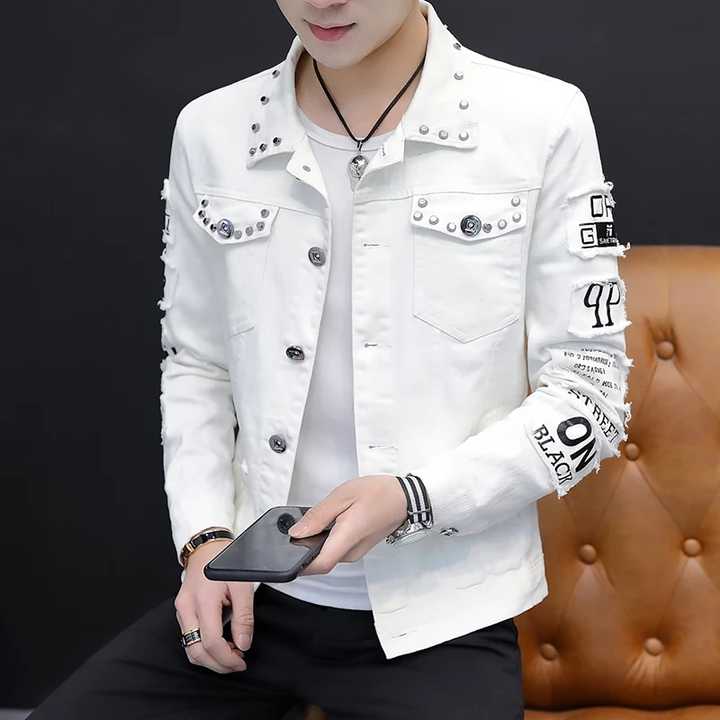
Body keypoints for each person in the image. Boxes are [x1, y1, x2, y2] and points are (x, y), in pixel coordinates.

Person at [28, 0, 632, 717]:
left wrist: (413, 497)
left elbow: (589, 396)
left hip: (442, 619)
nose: (322, 1)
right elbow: (197, 362)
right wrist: (204, 541)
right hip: (252, 598)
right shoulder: (211, 130)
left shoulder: (541, 120)